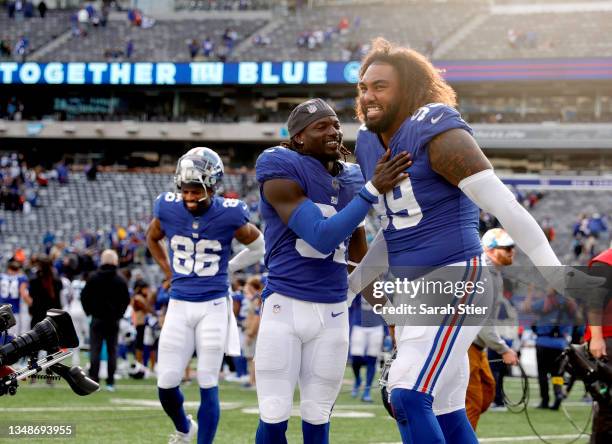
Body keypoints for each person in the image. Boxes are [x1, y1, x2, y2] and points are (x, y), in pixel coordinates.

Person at [348, 38, 585, 443]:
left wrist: (556, 272)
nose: (368, 96)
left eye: (380, 86)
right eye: (363, 88)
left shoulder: (437, 130)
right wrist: (348, 288)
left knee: (405, 395)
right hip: (410, 286)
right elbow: (394, 230)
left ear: (408, 88)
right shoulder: (368, 143)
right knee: (444, 410)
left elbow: (509, 209)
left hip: (454, 276)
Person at [254, 98, 410, 444]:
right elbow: (322, 237)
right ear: (297, 138)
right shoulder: (279, 164)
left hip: (334, 312)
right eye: (320, 126)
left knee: (318, 414)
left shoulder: (351, 177)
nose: (333, 131)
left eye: (335, 124)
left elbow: (358, 254)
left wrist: (391, 315)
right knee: (275, 412)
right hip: (286, 306)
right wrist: (371, 191)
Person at [146, 147, 264, 444]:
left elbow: (258, 246)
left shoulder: (230, 213)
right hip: (179, 303)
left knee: (207, 380)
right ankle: (186, 428)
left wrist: (230, 266)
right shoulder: (167, 207)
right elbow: (152, 237)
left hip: (213, 305)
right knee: (166, 382)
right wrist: (168, 271)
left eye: (196, 190)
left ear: (212, 186)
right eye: (185, 189)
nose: (189, 197)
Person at [465, 229, 519, 429]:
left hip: (478, 347)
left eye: (512, 247)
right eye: (506, 248)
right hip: (467, 346)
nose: (511, 251)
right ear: (489, 250)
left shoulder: (494, 274)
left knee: (487, 393)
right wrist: (504, 349)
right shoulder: (484, 274)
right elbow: (482, 321)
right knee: (472, 402)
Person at [81, 249, 130, 392]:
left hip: (97, 319)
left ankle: (94, 381)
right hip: (113, 320)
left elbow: (84, 297)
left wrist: (89, 312)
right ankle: (110, 382)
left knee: (95, 350)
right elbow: (126, 300)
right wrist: (119, 314)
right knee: (112, 351)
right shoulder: (120, 279)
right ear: (115, 261)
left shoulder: (93, 277)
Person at [523, 285, 574, 410]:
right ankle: (558, 395)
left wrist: (530, 293)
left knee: (542, 374)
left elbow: (526, 308)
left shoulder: (545, 302)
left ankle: (545, 400)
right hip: (560, 344)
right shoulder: (568, 303)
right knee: (557, 374)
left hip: (543, 342)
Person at [584, 247, 612, 443]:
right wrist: (596, 337)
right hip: (608, 341)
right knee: (608, 407)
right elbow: (594, 303)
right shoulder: (605, 262)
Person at [350, 293, 385, 402]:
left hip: (377, 326)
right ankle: (357, 379)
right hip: (359, 325)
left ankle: (367, 391)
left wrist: (387, 332)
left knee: (372, 358)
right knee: (355, 357)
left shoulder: (384, 285)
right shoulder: (360, 281)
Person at [0, 260, 31, 337]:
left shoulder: (1, 277)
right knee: (12, 336)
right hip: (13, 310)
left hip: (1, 308)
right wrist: (31, 304)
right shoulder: (21, 278)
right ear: (18, 269)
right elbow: (23, 293)